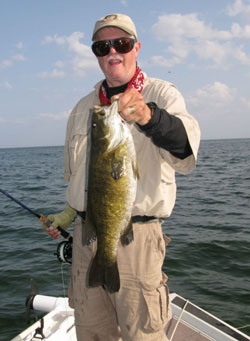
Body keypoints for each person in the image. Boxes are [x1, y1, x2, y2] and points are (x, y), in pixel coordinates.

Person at [45, 13, 200, 341]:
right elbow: (82, 179)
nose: (112, 51)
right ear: (97, 55)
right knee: (91, 333)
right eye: (102, 46)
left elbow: (185, 147)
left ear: (137, 48)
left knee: (141, 335)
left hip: (138, 241)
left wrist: (148, 115)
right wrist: (67, 214)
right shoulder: (81, 108)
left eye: (122, 43)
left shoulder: (162, 93)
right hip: (86, 236)